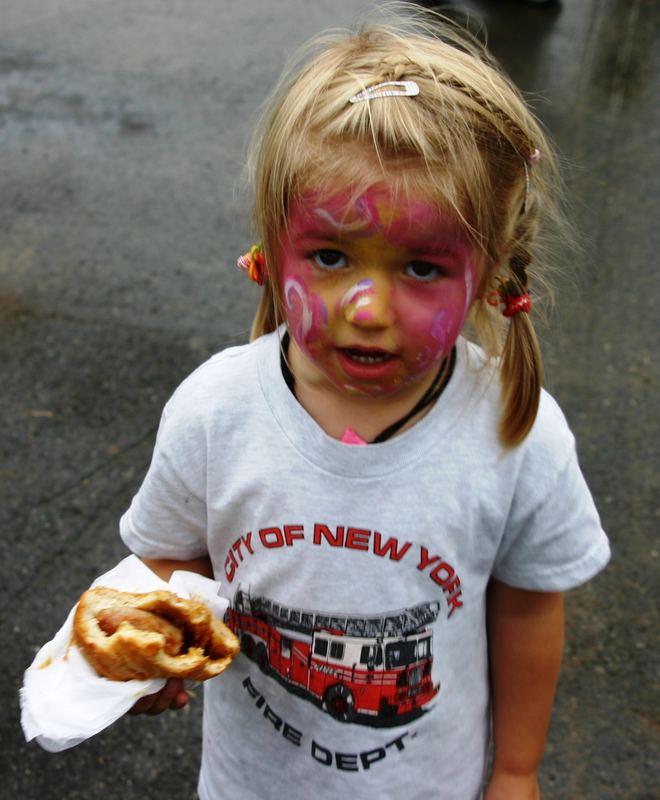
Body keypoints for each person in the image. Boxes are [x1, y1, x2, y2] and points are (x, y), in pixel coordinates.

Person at [119, 7, 610, 799]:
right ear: (270, 248)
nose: (368, 307)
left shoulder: (518, 433)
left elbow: (526, 610)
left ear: (489, 275)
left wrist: (516, 769)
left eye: (421, 267)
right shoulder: (215, 412)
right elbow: (170, 560)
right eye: (330, 255)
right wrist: (148, 650)